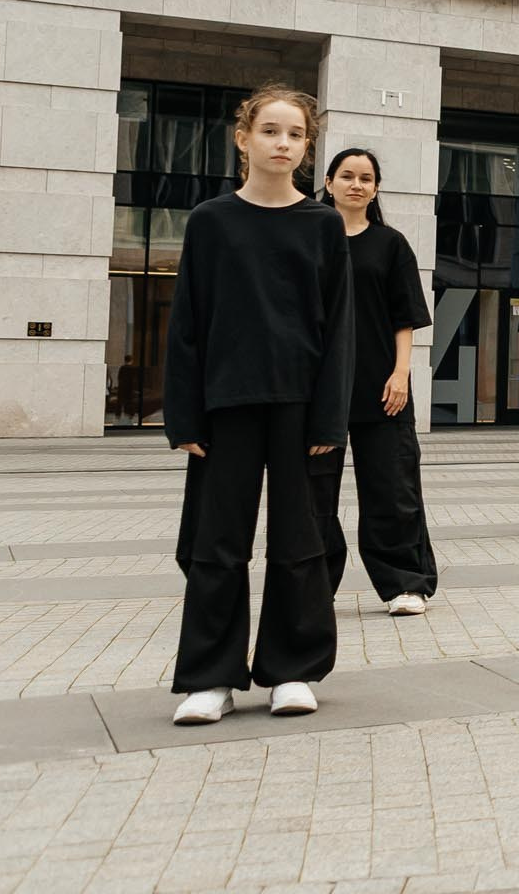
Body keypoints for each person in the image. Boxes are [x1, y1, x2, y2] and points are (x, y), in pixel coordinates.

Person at [166, 85, 352, 725]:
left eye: (295, 134)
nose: (282, 143)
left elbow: (339, 330)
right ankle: (209, 676)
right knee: (216, 541)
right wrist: (183, 415)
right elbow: (187, 323)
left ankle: (292, 670)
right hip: (225, 405)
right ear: (242, 138)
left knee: (301, 541)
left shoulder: (323, 224)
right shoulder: (211, 221)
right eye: (270, 131)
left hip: (301, 407)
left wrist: (331, 416)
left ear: (306, 146)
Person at [311, 147, 438, 616]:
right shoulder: (309, 239)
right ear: (329, 183)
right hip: (319, 386)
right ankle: (314, 584)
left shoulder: (390, 244)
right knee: (313, 491)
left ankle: (405, 583)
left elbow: (402, 317)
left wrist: (401, 372)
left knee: (392, 488)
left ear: (376, 188)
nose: (356, 185)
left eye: (366, 178)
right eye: (347, 176)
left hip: (382, 385)